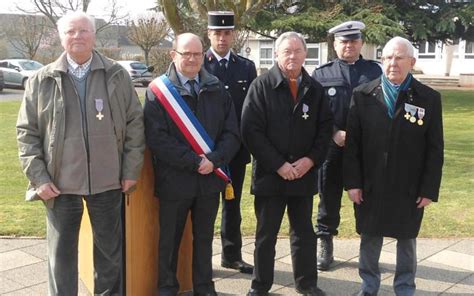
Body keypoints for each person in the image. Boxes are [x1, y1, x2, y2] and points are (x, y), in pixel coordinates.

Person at [16, 11, 145, 295]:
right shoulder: (41, 79)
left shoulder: (116, 74)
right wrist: (39, 178)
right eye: (71, 32)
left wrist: (130, 171)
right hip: (59, 185)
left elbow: (136, 124)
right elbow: (27, 133)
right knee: (61, 256)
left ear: (94, 35)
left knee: (110, 254)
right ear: (61, 38)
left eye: (84, 31)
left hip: (109, 182)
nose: (77, 37)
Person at [344, 36, 444, 296]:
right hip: (370, 183)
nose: (392, 63)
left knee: (407, 239)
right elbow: (352, 146)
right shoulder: (363, 95)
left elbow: (435, 149)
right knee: (369, 237)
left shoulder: (428, 98)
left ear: (411, 62)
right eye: (387, 57)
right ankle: (369, 287)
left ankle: (405, 288)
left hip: (409, 186)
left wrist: (429, 188)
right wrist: (352, 183)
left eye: (399, 58)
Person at [144, 33, 240, 296]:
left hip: (209, 180)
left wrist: (214, 160)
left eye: (197, 54)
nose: (193, 59)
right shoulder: (157, 92)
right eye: (186, 54)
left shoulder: (217, 88)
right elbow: (157, 139)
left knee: (205, 239)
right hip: (175, 181)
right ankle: (166, 288)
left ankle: (204, 287)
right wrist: (195, 161)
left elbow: (232, 133)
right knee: (169, 241)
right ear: (173, 55)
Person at [241, 32, 333, 296]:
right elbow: (251, 131)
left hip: (303, 175)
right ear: (277, 54)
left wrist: (311, 160)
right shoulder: (260, 86)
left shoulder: (314, 89)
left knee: (304, 234)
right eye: (287, 51)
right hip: (271, 176)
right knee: (265, 236)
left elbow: (325, 130)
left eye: (298, 51)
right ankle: (260, 285)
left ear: (305, 54)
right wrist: (279, 165)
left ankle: (307, 284)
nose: (293, 56)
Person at [311, 20, 382, 271]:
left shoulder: (375, 72)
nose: (349, 45)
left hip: (365, 150)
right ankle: (325, 243)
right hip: (333, 148)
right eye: (344, 41)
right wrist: (333, 133)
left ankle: (368, 251)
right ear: (335, 44)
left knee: (366, 199)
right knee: (327, 197)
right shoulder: (322, 74)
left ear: (361, 43)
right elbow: (316, 113)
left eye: (353, 41)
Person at [204, 10, 257, 274]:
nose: (222, 38)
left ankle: (232, 255)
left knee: (232, 204)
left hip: (235, 150)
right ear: (209, 34)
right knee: (204, 206)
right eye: (217, 33)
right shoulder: (199, 64)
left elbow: (251, 109)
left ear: (233, 35)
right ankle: (200, 259)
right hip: (206, 150)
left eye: (226, 33)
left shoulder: (246, 67)